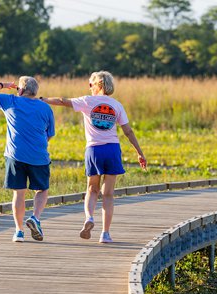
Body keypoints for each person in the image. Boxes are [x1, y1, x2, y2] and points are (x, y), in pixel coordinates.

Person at [40, 71, 146, 243]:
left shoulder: (87, 101)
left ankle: (89, 218)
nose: (89, 87)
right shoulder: (116, 105)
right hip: (112, 149)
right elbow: (128, 131)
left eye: (90, 84)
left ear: (97, 85)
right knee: (109, 194)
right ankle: (105, 234)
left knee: (92, 189)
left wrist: (43, 100)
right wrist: (140, 153)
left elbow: (61, 101)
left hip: (94, 150)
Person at [0, 76, 55, 243]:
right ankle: (35, 218)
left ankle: (19, 231)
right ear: (35, 92)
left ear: (20, 90)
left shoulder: (11, 101)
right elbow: (49, 135)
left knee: (19, 193)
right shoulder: (45, 108)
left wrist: (3, 85)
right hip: (39, 157)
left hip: (15, 156)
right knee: (42, 190)